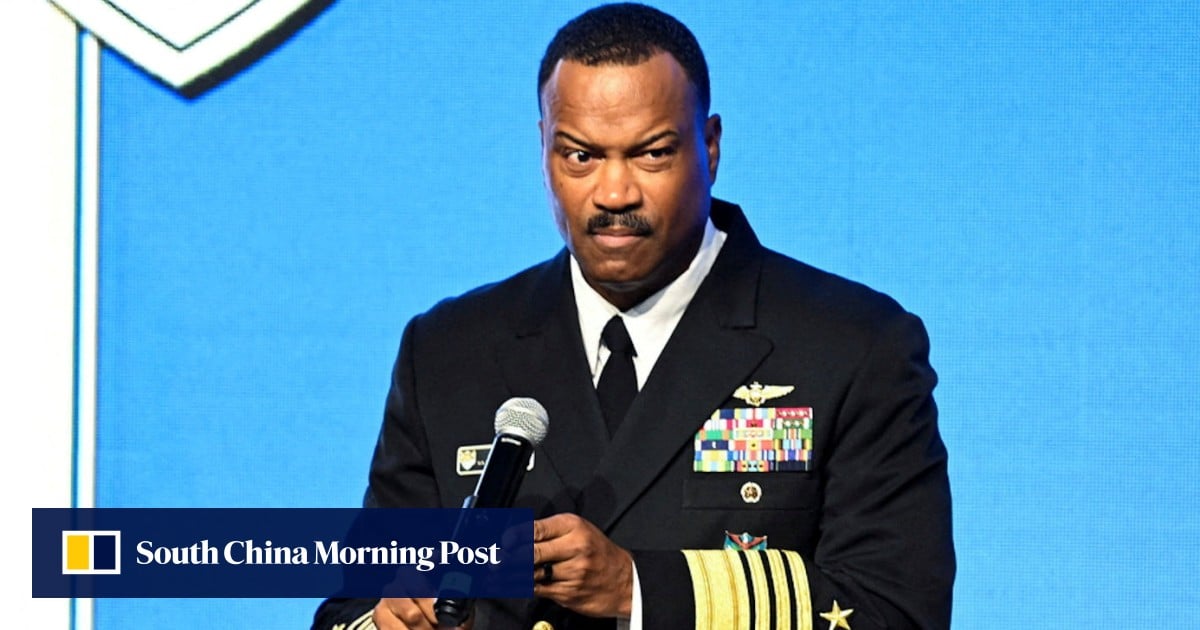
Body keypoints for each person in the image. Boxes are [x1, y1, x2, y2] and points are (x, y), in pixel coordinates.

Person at [314, 3, 954, 629]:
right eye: (580, 156)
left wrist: (637, 588)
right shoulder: (448, 351)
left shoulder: (853, 345)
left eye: (651, 154)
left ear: (710, 146)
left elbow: (897, 609)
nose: (614, 193)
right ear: (543, 148)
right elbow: (351, 609)